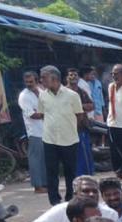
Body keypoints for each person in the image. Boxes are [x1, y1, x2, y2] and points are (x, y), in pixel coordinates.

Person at [37, 66, 85, 206]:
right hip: (49, 139)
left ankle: (70, 198)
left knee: (70, 171)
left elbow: (79, 116)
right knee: (51, 172)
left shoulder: (72, 95)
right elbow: (42, 115)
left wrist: (69, 129)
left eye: (44, 77)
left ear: (54, 78)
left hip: (69, 139)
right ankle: (54, 201)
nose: (41, 80)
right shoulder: (43, 95)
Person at [18, 70, 48, 191]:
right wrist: (48, 114)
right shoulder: (24, 96)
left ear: (36, 81)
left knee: (45, 159)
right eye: (26, 82)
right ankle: (38, 186)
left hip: (46, 130)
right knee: (35, 159)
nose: (29, 84)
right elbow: (31, 114)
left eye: (31, 81)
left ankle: (45, 183)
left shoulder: (41, 92)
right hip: (34, 132)